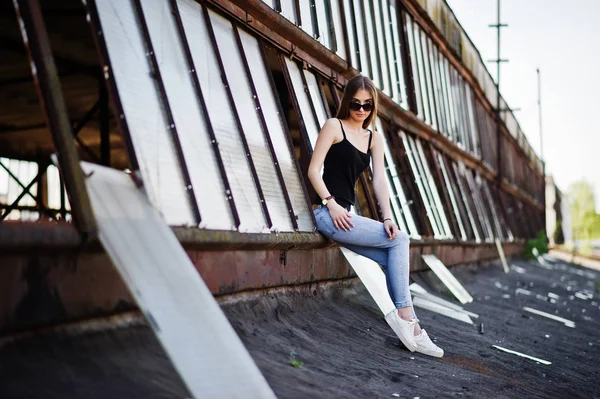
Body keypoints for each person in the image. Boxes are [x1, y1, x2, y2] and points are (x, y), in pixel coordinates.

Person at [308, 75, 443, 358]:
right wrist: (330, 203)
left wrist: (387, 217)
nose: (360, 110)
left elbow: (380, 181)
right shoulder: (334, 126)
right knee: (400, 242)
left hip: (346, 218)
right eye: (355, 104)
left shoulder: (374, 138)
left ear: (373, 107)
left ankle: (410, 326)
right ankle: (408, 322)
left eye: (367, 105)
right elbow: (313, 170)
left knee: (393, 254)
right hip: (327, 214)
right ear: (347, 102)